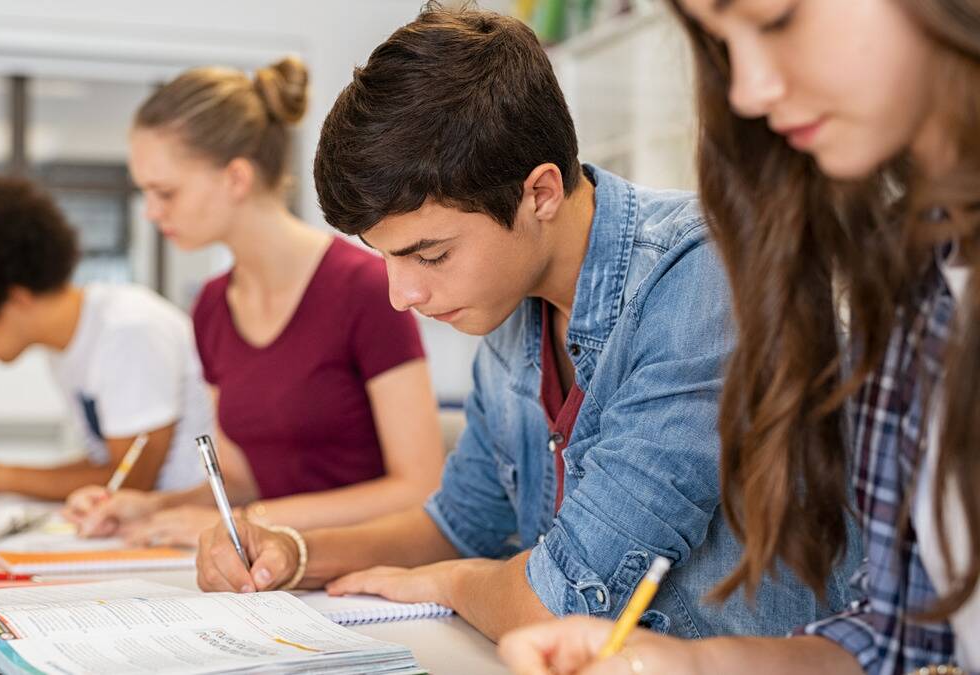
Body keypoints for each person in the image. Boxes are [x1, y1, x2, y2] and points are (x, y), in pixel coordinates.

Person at [193, 7, 856, 643]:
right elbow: (460, 523)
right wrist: (293, 550)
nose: (402, 294)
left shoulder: (700, 277)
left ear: (538, 193)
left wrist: (454, 583)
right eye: (387, 257)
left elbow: (563, 600)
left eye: (429, 254)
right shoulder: (514, 307)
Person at [498, 0, 980, 673]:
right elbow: (906, 639)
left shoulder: (689, 275)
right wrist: (695, 664)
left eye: (779, 20)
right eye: (722, 45)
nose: (749, 90)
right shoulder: (917, 278)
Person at [62, 56, 444, 546]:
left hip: (368, 571)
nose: (153, 213)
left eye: (166, 193)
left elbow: (418, 488)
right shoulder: (212, 308)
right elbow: (241, 482)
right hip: (272, 574)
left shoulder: (367, 288)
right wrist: (151, 507)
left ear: (236, 178)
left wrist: (250, 521)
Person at [0, 174, 211, 503]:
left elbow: (132, 480)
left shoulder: (128, 329)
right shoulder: (66, 347)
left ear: (16, 297)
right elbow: (106, 465)